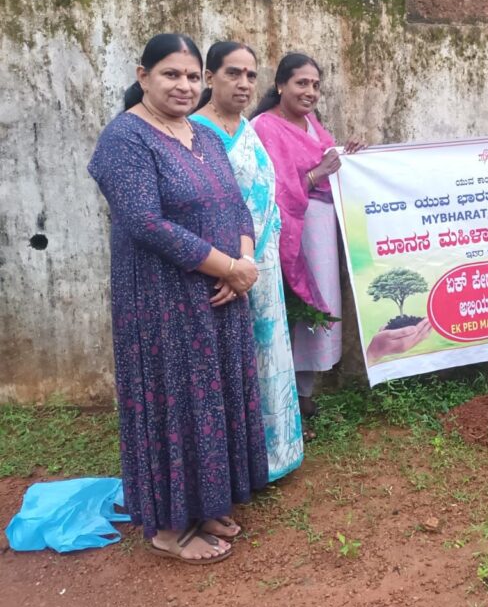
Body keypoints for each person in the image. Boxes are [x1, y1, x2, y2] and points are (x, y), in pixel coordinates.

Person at [88, 34, 268, 564]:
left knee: (212, 400)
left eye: (191, 76)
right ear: (143, 76)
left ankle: (205, 504)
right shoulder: (125, 139)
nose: (184, 85)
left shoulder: (203, 134)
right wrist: (228, 267)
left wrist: (243, 263)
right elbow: (144, 222)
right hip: (162, 300)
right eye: (171, 74)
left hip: (220, 295)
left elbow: (236, 204)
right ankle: (168, 526)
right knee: (176, 402)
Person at [191, 41, 304, 481]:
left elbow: (265, 195)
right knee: (229, 363)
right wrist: (230, 265)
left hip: (262, 265)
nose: (243, 83)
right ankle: (235, 464)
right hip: (221, 270)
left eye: (251, 75)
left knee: (267, 357)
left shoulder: (249, 128)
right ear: (210, 77)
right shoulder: (194, 132)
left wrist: (258, 256)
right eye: (233, 73)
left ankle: (275, 451)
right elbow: (199, 207)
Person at [251, 54, 365, 423]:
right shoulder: (264, 127)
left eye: (316, 85)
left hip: (320, 232)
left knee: (315, 310)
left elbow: (327, 163)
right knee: (290, 308)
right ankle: (278, 398)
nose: (310, 91)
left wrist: (348, 155)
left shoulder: (311, 123)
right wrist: (318, 174)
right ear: (280, 85)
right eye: (302, 83)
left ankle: (303, 394)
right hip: (290, 233)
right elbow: (269, 189)